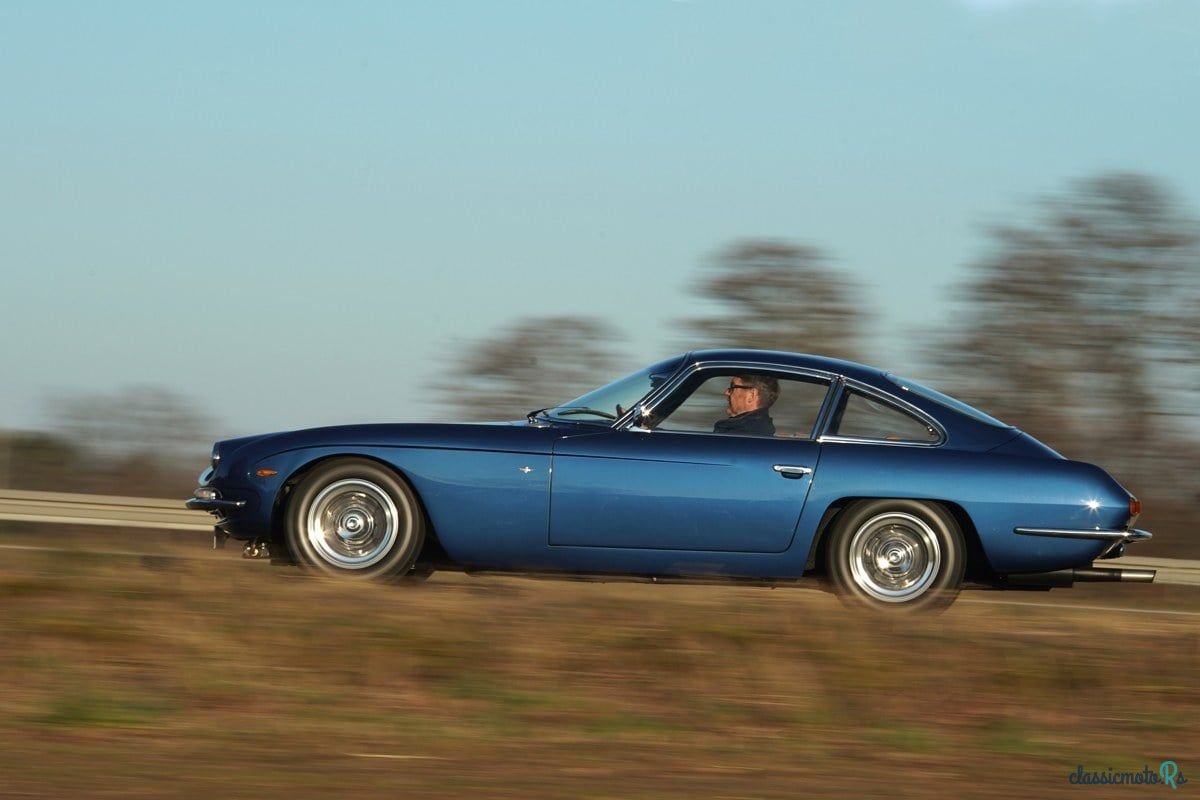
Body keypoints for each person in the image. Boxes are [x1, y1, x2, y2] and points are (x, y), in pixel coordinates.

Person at [713, 374, 778, 436]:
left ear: (751, 395)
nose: (726, 392)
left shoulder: (735, 437)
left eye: (732, 387)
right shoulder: (760, 432)